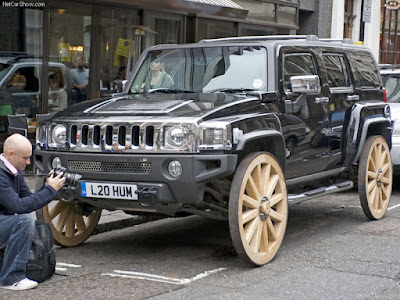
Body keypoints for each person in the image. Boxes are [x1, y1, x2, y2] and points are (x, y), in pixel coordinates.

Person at [0, 134, 65, 291]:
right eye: (25, 158)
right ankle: (11, 278)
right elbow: (19, 206)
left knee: (25, 220)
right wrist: (49, 190)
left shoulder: (14, 171)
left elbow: (29, 200)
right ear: (11, 154)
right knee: (23, 221)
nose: (28, 162)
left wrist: (47, 186)